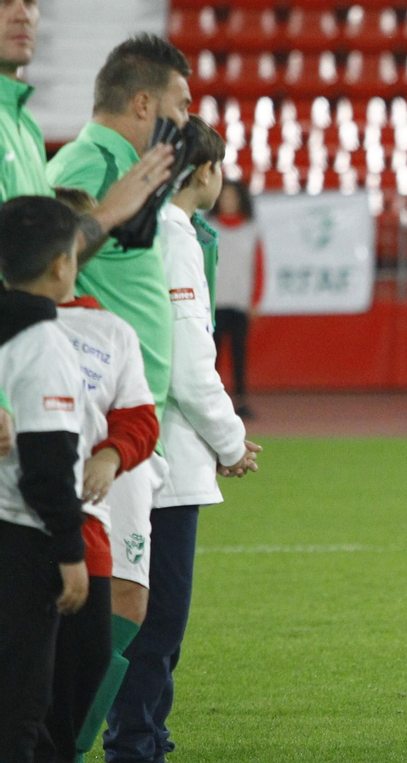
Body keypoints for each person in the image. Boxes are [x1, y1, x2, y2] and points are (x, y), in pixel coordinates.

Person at [105, 115, 259, 763]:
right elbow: (192, 358)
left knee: (156, 615)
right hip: (165, 451)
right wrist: (232, 439)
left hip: (153, 447)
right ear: (205, 173)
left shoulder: (160, 232)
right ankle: (135, 742)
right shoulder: (174, 237)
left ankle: (145, 734)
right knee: (159, 616)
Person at [0, 0, 173, 461]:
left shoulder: (24, 128)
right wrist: (107, 213)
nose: (21, 14)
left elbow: (33, 266)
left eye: (29, 1)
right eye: (4, 1)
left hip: (28, 387)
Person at [43, 189, 161, 763]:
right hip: (19, 530)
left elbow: (140, 417)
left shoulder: (109, 332)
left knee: (75, 685)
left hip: (84, 536)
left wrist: (113, 454)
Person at [0, 195, 89, 760]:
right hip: (23, 542)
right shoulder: (45, 346)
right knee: (20, 708)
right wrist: (70, 550)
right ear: (61, 265)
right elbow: (47, 465)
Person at [209, 181, 258, 419]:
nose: (228, 202)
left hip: (239, 302)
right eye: (224, 197)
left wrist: (255, 299)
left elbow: (258, 267)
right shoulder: (208, 228)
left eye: (232, 197)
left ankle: (240, 400)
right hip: (214, 303)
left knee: (240, 354)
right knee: (211, 354)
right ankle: (210, 400)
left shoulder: (251, 229)